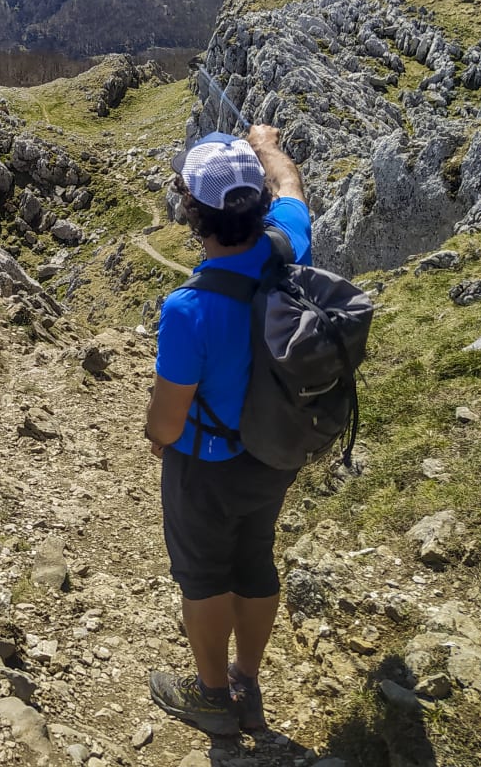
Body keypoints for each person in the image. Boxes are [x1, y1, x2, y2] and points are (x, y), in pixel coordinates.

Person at [144, 124, 311, 737]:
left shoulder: (187, 309)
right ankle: (247, 675)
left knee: (204, 575)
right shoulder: (289, 244)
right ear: (259, 203)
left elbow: (166, 421)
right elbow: (291, 182)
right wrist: (264, 144)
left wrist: (156, 437)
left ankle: (213, 696)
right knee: (255, 559)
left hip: (206, 466)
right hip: (275, 452)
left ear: (195, 214)